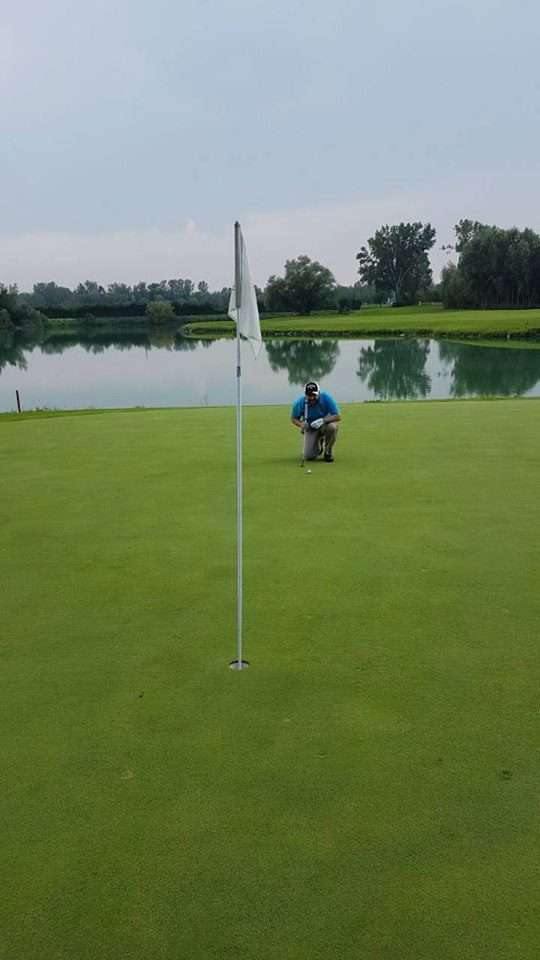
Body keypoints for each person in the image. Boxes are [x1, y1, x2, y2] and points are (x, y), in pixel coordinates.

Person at [291, 380, 341, 462]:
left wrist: (323, 420)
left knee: (332, 427)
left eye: (314, 395)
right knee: (309, 456)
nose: (311, 398)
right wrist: (301, 424)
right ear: (305, 395)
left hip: (324, 425)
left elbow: (337, 416)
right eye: (309, 395)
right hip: (310, 427)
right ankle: (319, 443)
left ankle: (328, 451)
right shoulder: (300, 403)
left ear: (318, 393)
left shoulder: (326, 398)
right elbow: (293, 418)